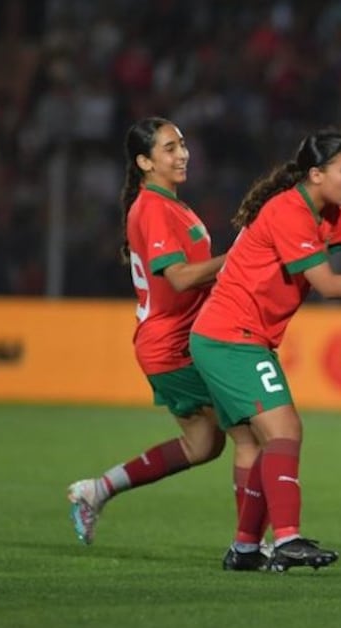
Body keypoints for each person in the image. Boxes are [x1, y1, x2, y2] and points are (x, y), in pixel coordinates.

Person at [190, 129, 341, 572]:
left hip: (230, 336)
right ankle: (286, 540)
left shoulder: (326, 211)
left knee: (258, 444)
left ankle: (246, 548)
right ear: (316, 174)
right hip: (232, 336)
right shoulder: (290, 211)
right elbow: (326, 284)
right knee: (285, 430)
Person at [66, 117, 261, 547]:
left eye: (183, 145)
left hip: (178, 341)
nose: (182, 154)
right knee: (253, 433)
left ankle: (97, 490)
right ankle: (251, 544)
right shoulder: (152, 207)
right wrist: (238, 257)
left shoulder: (173, 205)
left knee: (203, 445)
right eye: (169, 148)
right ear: (144, 161)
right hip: (172, 345)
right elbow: (179, 277)